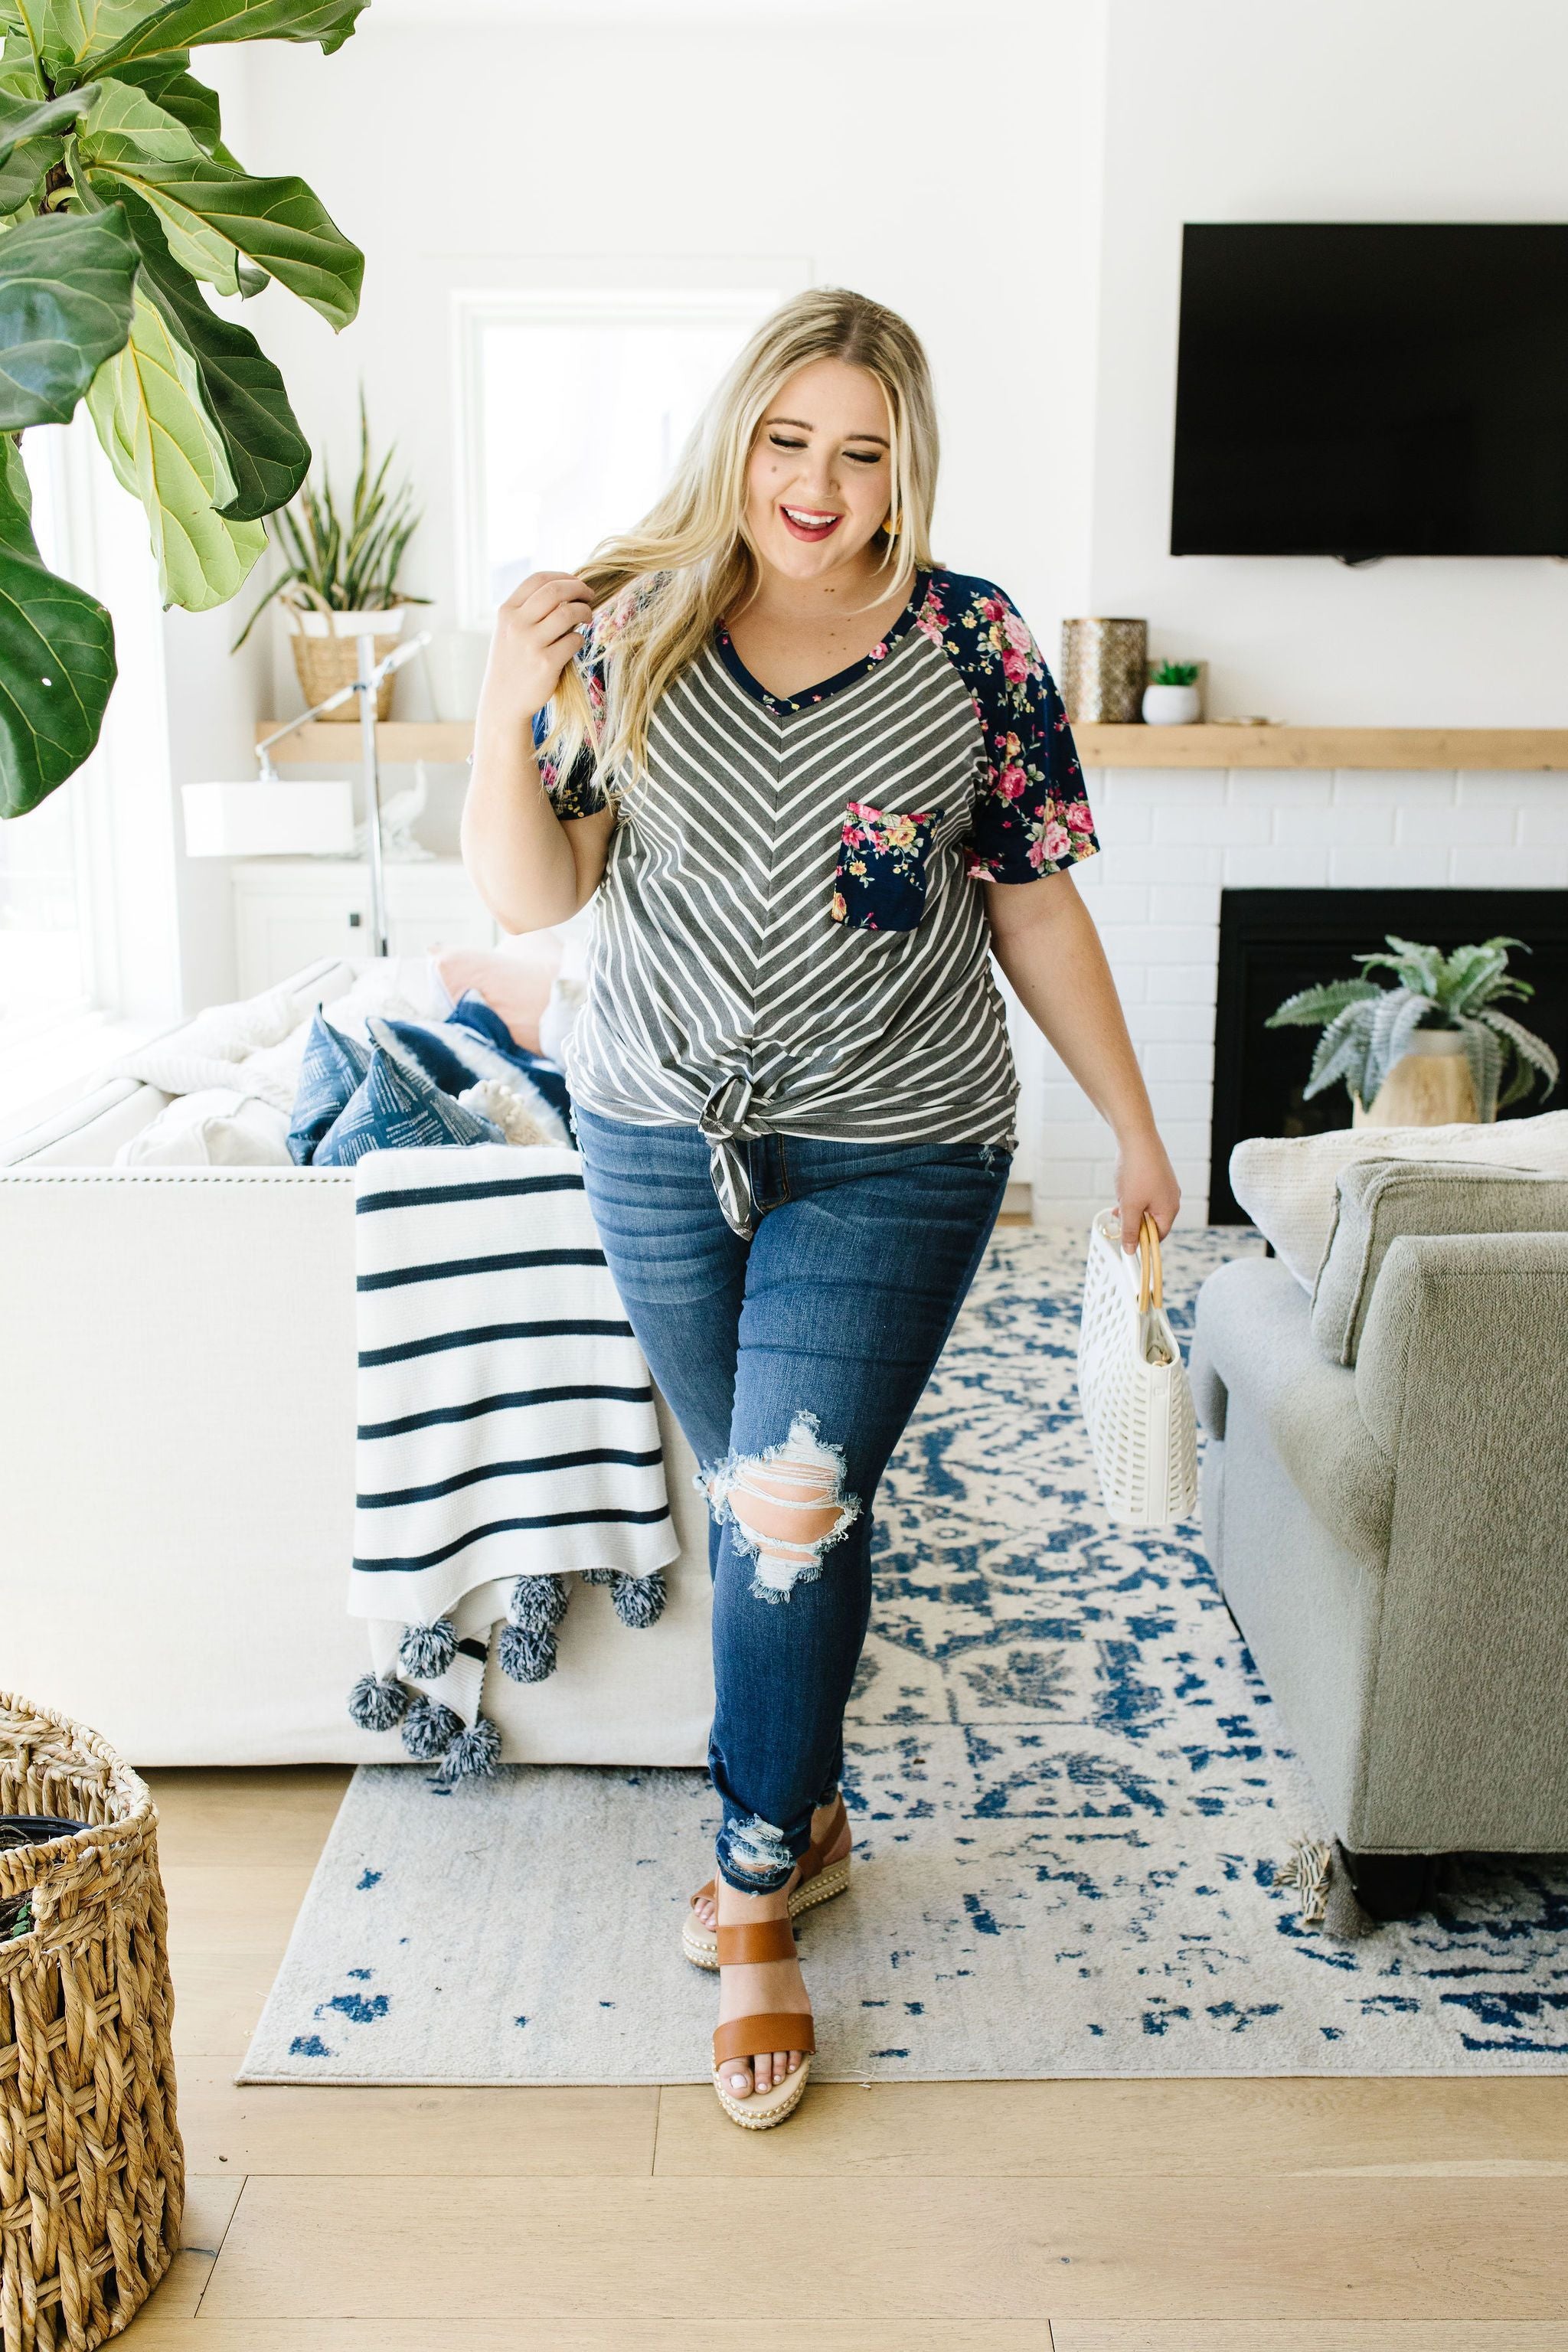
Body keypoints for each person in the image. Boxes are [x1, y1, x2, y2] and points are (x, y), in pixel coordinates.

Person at [462, 287, 1178, 2128]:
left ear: (904, 468)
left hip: (901, 1146)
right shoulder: (635, 629)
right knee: (790, 1503)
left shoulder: (976, 645)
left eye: (861, 451)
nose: (818, 481)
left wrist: (1135, 1130)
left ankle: (759, 1893)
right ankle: (820, 1800)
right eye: (789, 439)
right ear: (738, 438)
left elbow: (1032, 904)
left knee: (785, 1504)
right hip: (650, 1131)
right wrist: (497, 695)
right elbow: (535, 898)